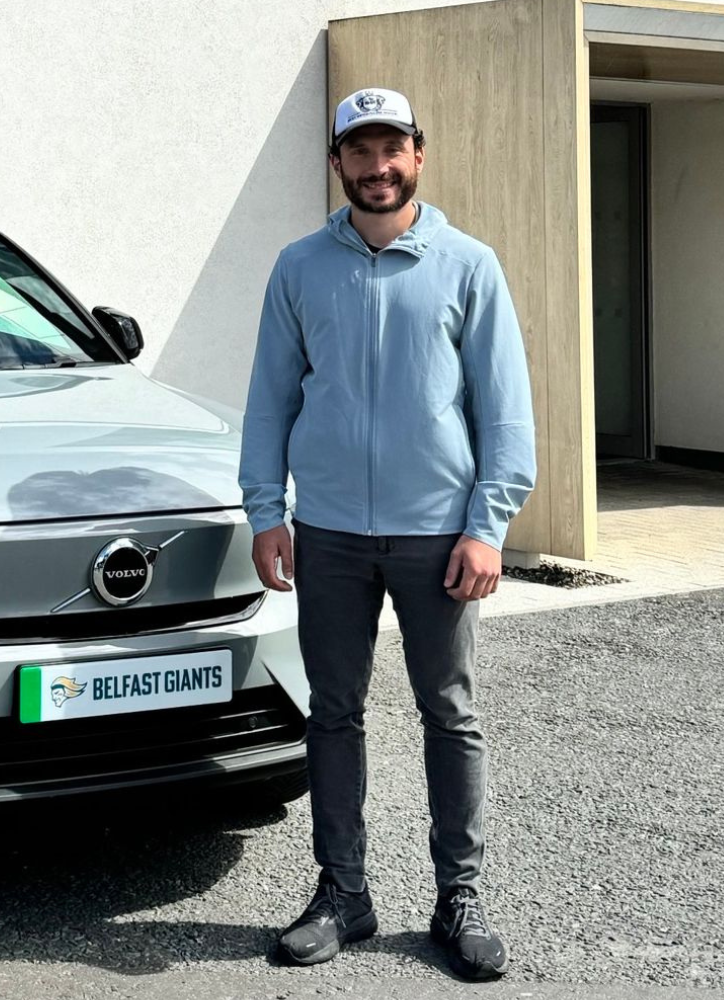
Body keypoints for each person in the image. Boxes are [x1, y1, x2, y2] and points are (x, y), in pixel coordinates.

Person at [239, 87, 536, 980]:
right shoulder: (299, 267)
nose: (377, 168)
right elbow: (271, 397)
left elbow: (506, 412)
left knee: (449, 712)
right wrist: (266, 510)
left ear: (419, 152)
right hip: (327, 532)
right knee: (333, 713)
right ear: (337, 162)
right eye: (359, 152)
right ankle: (345, 896)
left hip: (438, 536)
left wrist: (487, 525)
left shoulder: (469, 265)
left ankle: (461, 898)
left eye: (391, 149)